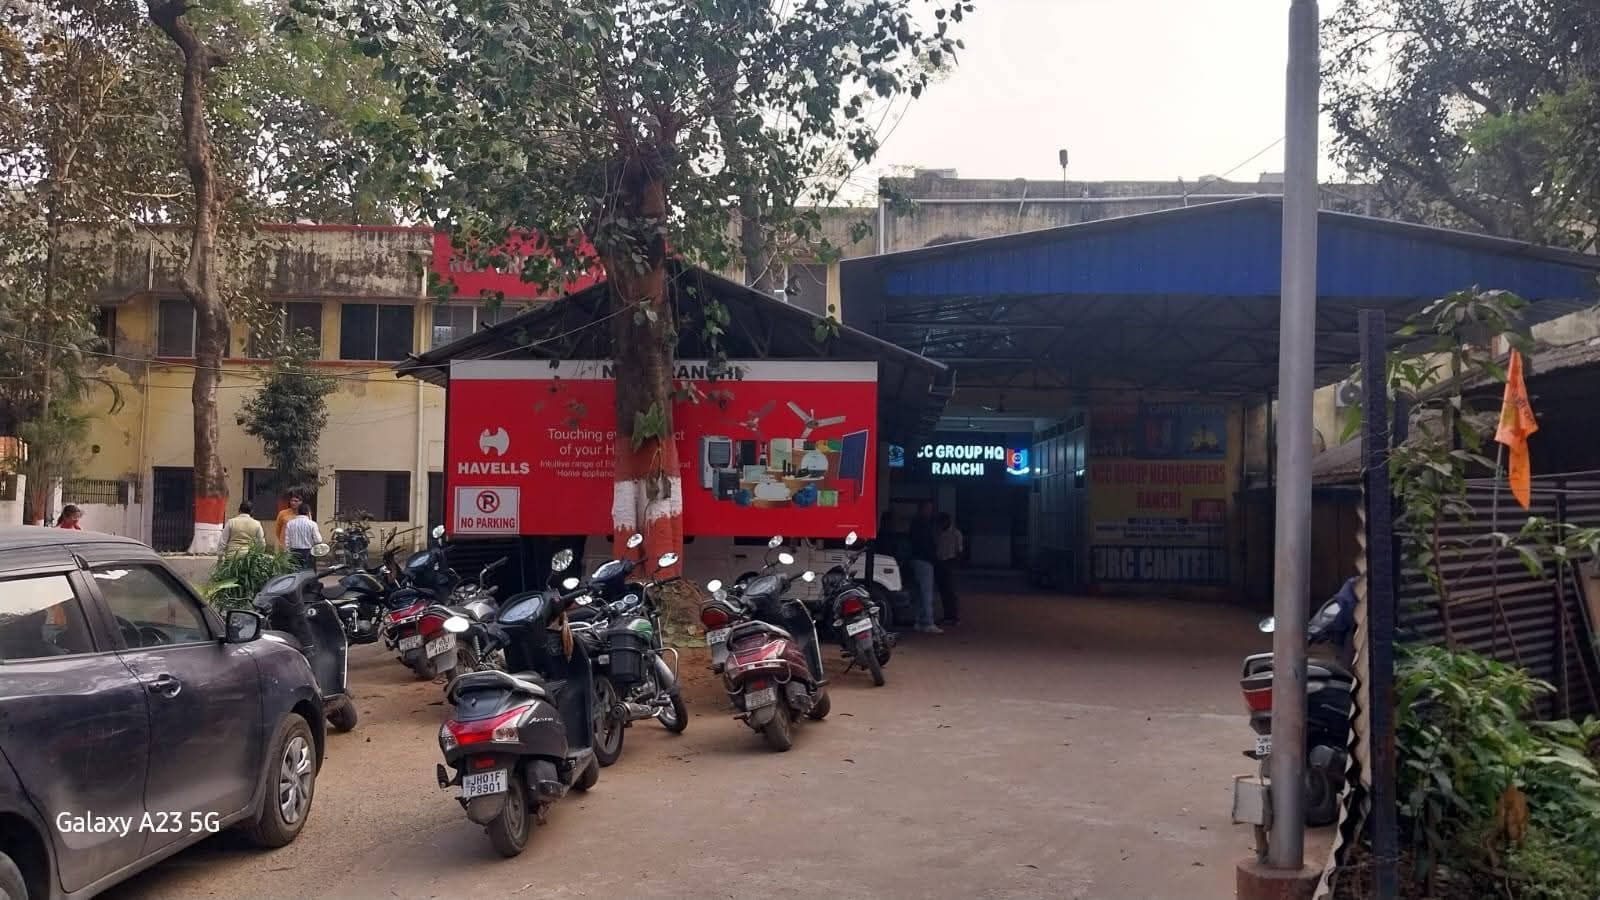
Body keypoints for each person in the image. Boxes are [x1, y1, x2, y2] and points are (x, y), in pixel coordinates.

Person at [907, 500, 942, 634]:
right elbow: (927, 544)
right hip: (925, 560)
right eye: (928, 508)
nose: (930, 511)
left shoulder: (915, 523)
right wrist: (934, 558)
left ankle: (918, 621)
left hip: (916, 559)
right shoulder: (925, 525)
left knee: (919, 593)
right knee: (926, 593)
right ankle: (927, 622)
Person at [935, 512, 963, 627]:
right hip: (940, 562)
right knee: (943, 590)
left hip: (950, 562)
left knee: (951, 591)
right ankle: (947, 615)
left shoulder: (956, 533)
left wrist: (955, 565)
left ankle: (955, 616)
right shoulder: (939, 533)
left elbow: (959, 551)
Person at [283, 502, 322, 569]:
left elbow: (287, 541)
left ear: (298, 512)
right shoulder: (312, 524)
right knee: (308, 573)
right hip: (308, 552)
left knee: (295, 572)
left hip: (294, 552)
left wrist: (288, 551)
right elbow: (318, 540)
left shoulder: (290, 523)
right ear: (308, 512)